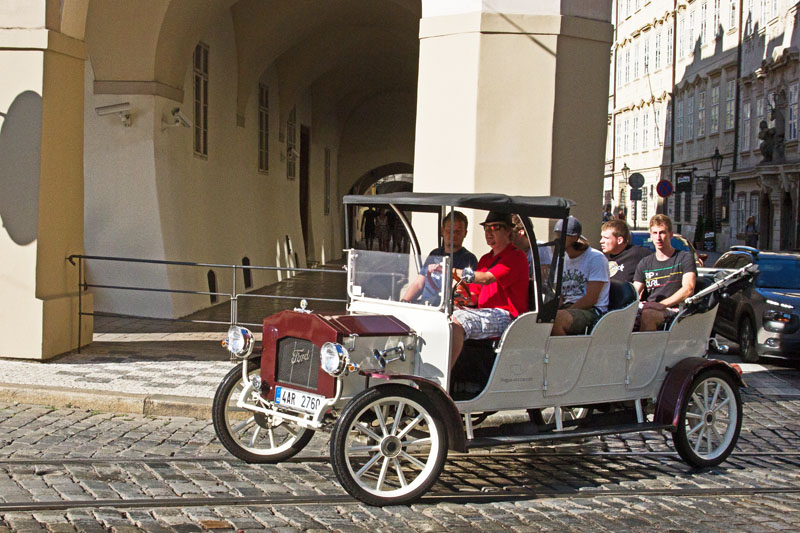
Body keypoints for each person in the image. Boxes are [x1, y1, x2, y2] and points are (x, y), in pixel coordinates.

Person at [450, 211, 529, 366]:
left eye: (495, 228)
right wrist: (461, 299)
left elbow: (486, 278)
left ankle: (443, 380)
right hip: (484, 313)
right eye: (486, 228)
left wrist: (453, 271)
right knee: (442, 315)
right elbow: (475, 296)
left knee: (456, 322)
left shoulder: (516, 257)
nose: (488, 233)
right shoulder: (486, 258)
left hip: (508, 317)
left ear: (508, 231)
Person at [633, 214, 697, 331]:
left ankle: (646, 349)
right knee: (619, 318)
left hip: (675, 309)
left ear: (670, 235)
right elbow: (634, 291)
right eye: (655, 233)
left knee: (648, 315)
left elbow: (688, 288)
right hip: (648, 306)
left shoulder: (684, 258)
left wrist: (662, 304)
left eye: (662, 233)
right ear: (651, 235)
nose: (658, 237)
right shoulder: (645, 262)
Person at [401, 211, 478, 305]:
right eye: (449, 231)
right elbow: (419, 283)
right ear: (442, 231)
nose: (453, 235)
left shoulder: (469, 259)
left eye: (458, 232)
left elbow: (460, 290)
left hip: (447, 309)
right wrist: (404, 302)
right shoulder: (434, 254)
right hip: (426, 306)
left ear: (465, 233)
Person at [551, 216, 610, 336]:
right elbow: (560, 295)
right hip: (568, 308)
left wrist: (563, 312)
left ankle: (567, 354)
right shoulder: (560, 259)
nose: (557, 239)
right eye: (556, 234)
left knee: (556, 320)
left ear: (574, 237)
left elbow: (591, 299)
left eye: (561, 235)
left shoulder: (595, 258)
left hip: (592, 311)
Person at [600, 219, 651, 283]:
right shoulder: (600, 256)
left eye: (606, 238)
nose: (601, 241)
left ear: (619, 240)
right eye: (601, 237)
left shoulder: (637, 254)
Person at [511, 214, 552, 279]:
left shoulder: (540, 248)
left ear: (521, 232)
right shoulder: (513, 252)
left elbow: (540, 280)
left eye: (510, 234)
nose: (507, 237)